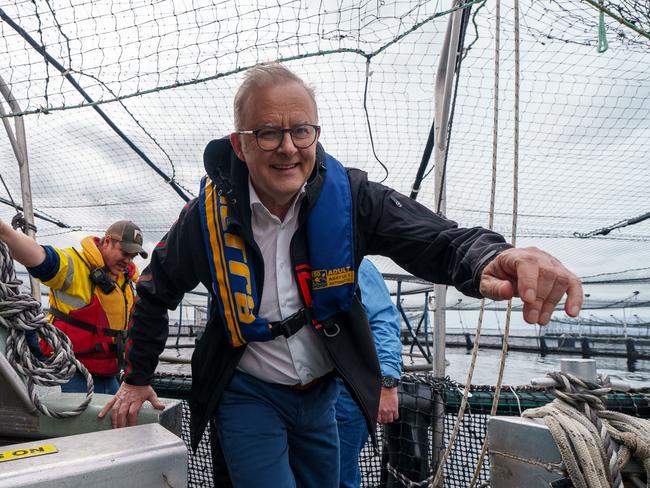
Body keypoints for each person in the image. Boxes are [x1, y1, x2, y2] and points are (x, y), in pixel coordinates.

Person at [99, 63, 583, 487]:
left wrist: (493, 257)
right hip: (247, 391)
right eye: (268, 132)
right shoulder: (202, 219)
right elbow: (155, 290)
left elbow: (435, 238)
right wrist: (137, 377)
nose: (288, 148)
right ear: (240, 145)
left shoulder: (351, 197)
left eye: (301, 131)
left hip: (321, 396)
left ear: (315, 134)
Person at [0, 219, 147, 394]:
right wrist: (3, 230)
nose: (128, 261)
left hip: (110, 376)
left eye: (132, 256)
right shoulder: (74, 265)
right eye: (124, 252)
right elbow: (38, 255)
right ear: (107, 241)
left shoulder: (128, 281)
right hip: (72, 374)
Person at [336, 258, 402, 488]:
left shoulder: (358, 264)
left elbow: (383, 322)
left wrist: (387, 383)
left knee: (340, 474)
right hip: (304, 390)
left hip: (346, 391)